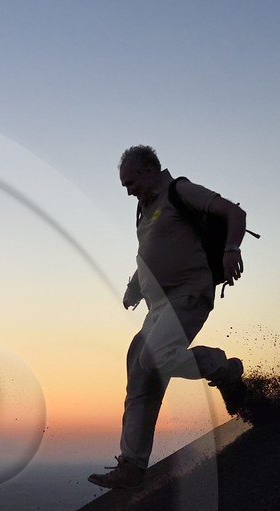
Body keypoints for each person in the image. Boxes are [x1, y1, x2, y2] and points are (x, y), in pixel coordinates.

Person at [88, 145, 249, 491]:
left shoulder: (179, 190)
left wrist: (231, 250)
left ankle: (223, 368)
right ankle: (131, 465)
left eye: (130, 182)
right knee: (139, 373)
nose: (128, 190)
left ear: (148, 171)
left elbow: (234, 213)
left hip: (189, 294)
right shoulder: (142, 209)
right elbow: (149, 252)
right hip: (159, 306)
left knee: (155, 356)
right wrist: (135, 287)